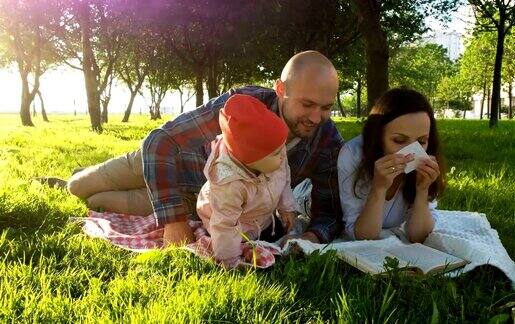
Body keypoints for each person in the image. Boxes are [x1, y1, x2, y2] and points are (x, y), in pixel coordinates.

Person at [66, 50, 344, 245]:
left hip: (195, 201)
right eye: (307, 104)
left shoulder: (327, 140)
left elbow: (330, 212)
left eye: (327, 107)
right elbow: (159, 142)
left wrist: (310, 238)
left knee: (96, 201)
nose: (316, 118)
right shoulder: (244, 105)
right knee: (77, 187)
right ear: (281, 90)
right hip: (161, 163)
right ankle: (79, 175)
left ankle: (95, 185)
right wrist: (174, 223)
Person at [195, 94, 297, 267]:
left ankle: (264, 237)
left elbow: (283, 179)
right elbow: (225, 224)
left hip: (260, 216)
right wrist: (230, 261)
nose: (283, 155)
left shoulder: (276, 153)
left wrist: (286, 207)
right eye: (276, 153)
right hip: (229, 224)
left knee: (283, 241)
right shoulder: (229, 184)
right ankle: (234, 252)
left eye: (283, 147)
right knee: (233, 244)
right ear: (250, 160)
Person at [337, 87, 446, 243]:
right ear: (378, 137)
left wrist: (422, 191)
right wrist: (378, 189)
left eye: (421, 141)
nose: (411, 152)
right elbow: (363, 236)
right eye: (399, 141)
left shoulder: (426, 162)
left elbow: (418, 236)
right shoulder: (352, 154)